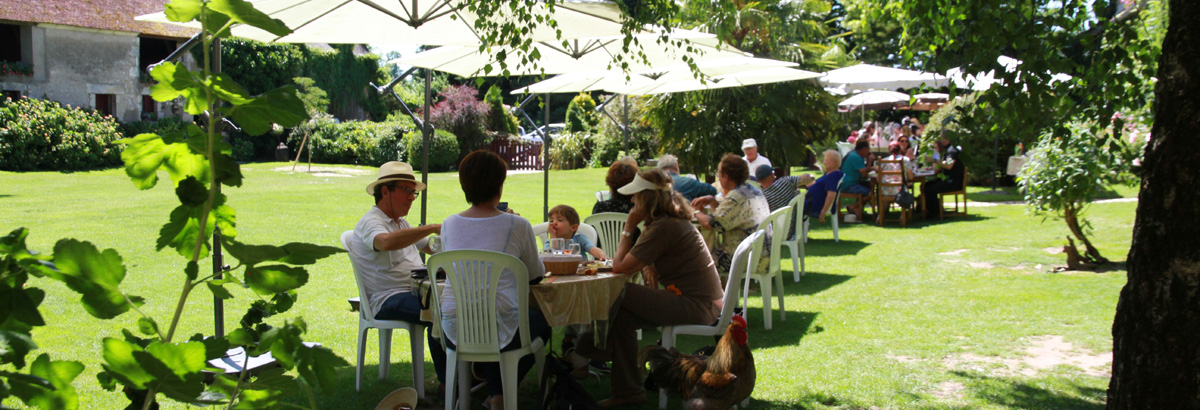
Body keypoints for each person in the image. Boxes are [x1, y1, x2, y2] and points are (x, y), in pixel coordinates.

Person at [572, 169, 723, 407]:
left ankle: (583, 353)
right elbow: (631, 264)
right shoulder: (666, 222)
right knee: (621, 317)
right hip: (696, 301)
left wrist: (629, 226)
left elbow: (619, 267)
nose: (632, 201)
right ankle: (628, 391)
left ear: (647, 199)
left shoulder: (664, 226)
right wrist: (648, 265)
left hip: (697, 306)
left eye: (635, 196)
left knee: (615, 291)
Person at [438, 150, 550, 410]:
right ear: (500, 185)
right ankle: (499, 393)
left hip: (454, 326)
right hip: (499, 323)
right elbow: (535, 274)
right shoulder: (517, 224)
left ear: (464, 185)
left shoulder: (448, 224)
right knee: (539, 323)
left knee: (485, 313)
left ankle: (495, 394)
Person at [349, 161, 447, 389]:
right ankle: (450, 383)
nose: (412, 198)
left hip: (413, 292)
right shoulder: (371, 222)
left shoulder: (400, 222)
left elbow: (431, 246)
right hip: (387, 298)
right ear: (385, 191)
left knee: (455, 303)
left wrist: (462, 235)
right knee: (441, 311)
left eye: (414, 192)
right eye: (406, 191)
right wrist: (431, 227)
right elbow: (384, 242)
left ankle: (466, 374)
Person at [691, 154, 769, 274]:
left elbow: (709, 224)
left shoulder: (736, 197)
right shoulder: (751, 190)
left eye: (719, 175)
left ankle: (710, 286)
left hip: (745, 258)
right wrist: (712, 201)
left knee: (696, 261)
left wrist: (696, 211)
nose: (718, 178)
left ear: (726, 177)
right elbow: (725, 217)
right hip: (761, 254)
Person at [921, 137, 965, 218]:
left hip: (953, 182)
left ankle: (935, 213)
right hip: (948, 180)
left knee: (930, 189)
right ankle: (934, 210)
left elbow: (949, 165)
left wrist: (934, 160)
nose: (940, 140)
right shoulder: (948, 150)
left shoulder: (952, 150)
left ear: (946, 139)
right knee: (926, 185)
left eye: (941, 138)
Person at [804, 150, 845, 223]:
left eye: (826, 160)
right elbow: (816, 185)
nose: (824, 162)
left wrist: (823, 212)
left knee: (789, 205)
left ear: (834, 162)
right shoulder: (828, 174)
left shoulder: (834, 175)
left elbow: (831, 194)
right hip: (809, 201)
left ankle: (791, 229)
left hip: (815, 204)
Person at [839, 139, 876, 219]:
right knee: (870, 193)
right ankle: (853, 207)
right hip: (847, 185)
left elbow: (863, 174)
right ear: (864, 149)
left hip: (852, 182)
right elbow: (864, 173)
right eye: (868, 149)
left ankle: (857, 209)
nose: (869, 152)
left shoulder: (854, 154)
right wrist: (870, 162)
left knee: (871, 188)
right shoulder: (855, 157)